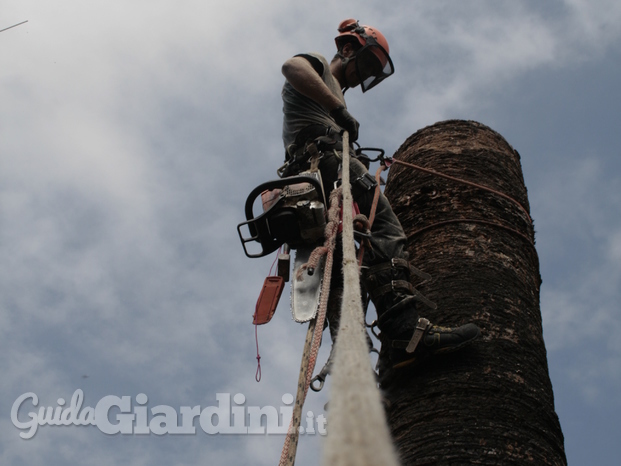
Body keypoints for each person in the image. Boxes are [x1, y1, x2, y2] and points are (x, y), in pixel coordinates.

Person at [280, 19, 480, 373]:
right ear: (347, 49)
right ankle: (405, 333)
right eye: (366, 64)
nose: (363, 76)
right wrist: (338, 109)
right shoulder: (320, 67)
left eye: (373, 71)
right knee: (386, 230)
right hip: (326, 163)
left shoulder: (333, 93)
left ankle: (356, 354)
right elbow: (291, 67)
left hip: (317, 176)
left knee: (346, 262)